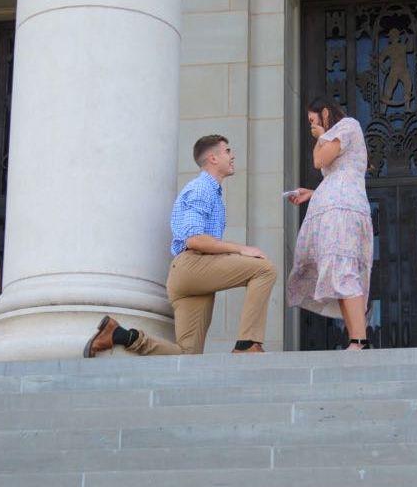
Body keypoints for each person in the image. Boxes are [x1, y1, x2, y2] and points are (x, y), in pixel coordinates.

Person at [84, 134, 277, 357]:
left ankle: (120, 335)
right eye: (227, 151)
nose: (232, 156)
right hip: (192, 265)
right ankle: (247, 345)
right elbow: (194, 239)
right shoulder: (202, 188)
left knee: (187, 356)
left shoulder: (211, 191)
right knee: (264, 269)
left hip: (188, 276)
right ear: (213, 158)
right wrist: (242, 249)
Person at [286, 96, 374, 350]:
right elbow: (335, 176)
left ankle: (360, 340)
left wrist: (321, 135)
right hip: (334, 207)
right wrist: (314, 194)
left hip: (344, 211)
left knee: (345, 270)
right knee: (338, 273)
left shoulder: (347, 126)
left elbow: (320, 160)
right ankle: (355, 339)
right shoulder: (335, 135)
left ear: (325, 113)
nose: (311, 126)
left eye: (312, 120)